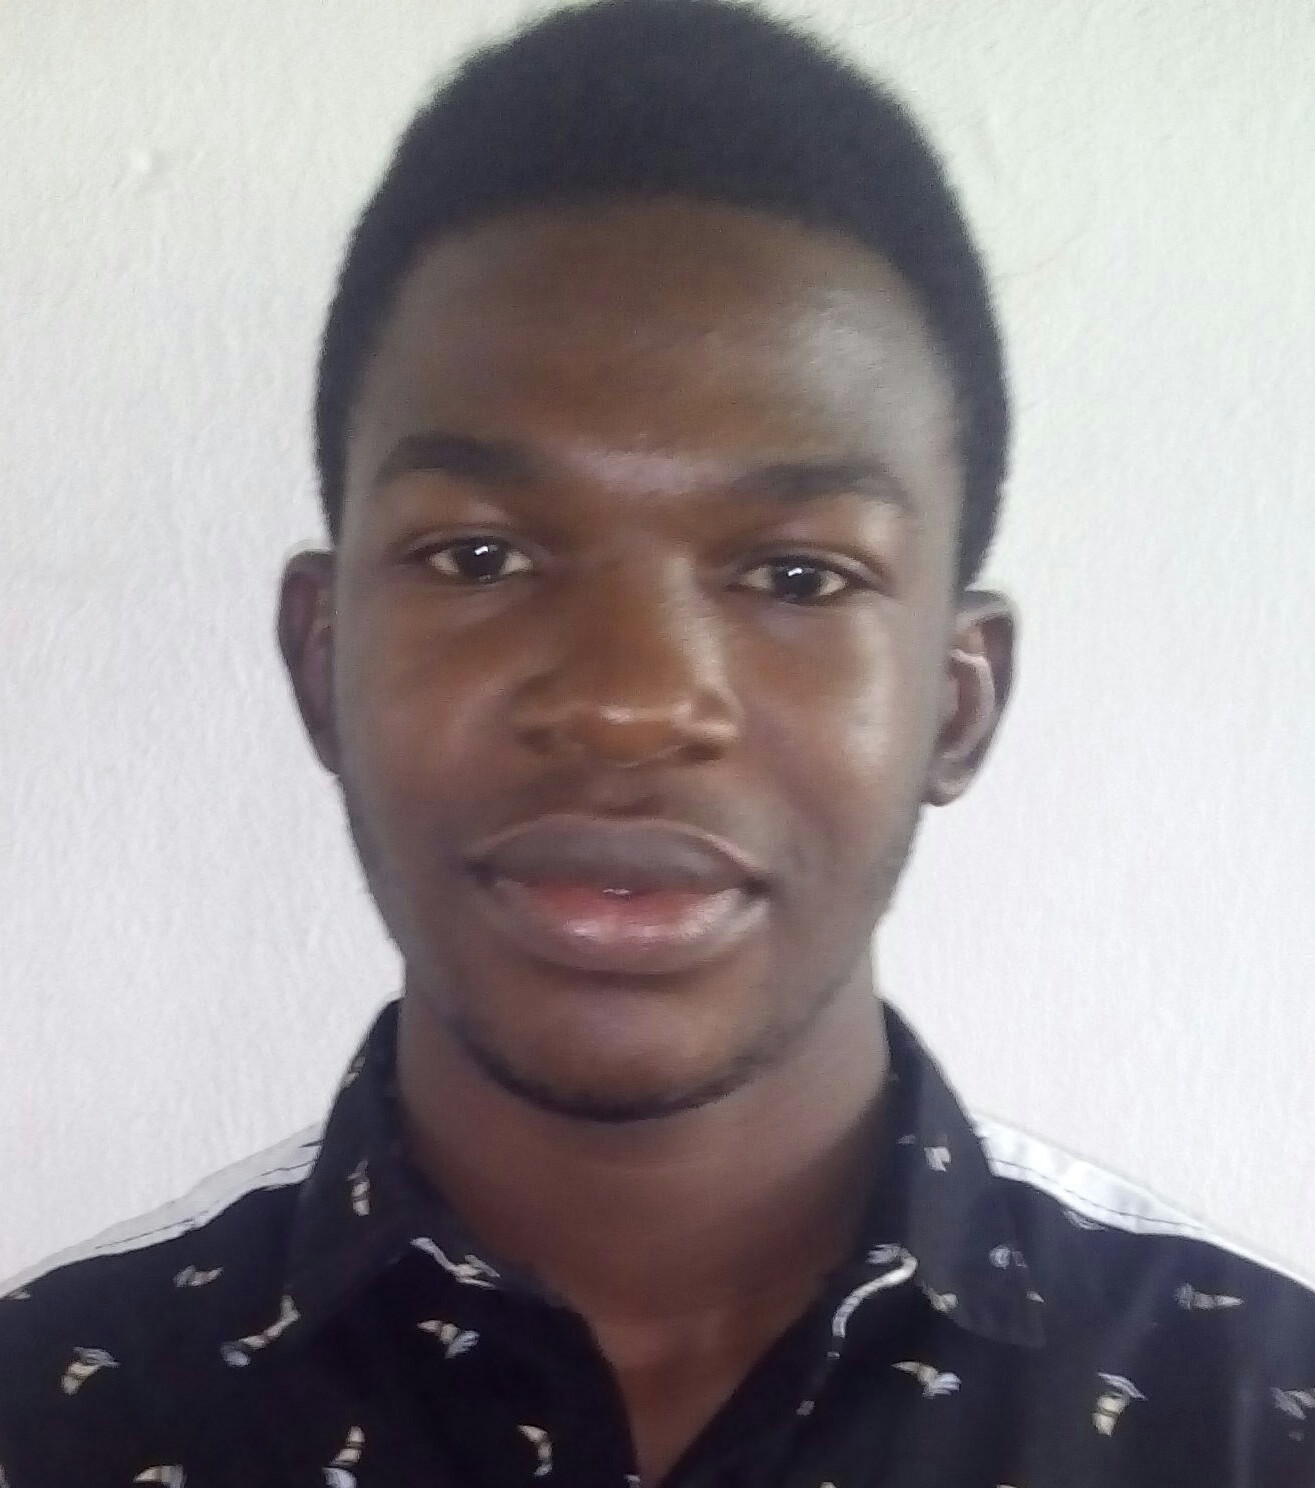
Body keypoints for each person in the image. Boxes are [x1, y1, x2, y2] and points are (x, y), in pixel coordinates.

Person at [2, 1, 1311, 1483]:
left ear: (958, 703)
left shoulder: (1256, 1417)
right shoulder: (52, 1416)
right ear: (321, 662)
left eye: (798, 575)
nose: (630, 702)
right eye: (480, 557)